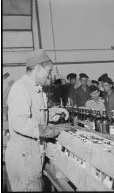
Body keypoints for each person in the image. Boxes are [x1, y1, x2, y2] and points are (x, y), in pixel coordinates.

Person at [5, 49, 69, 191]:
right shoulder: (20, 88)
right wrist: (53, 130)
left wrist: (53, 112)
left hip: (31, 158)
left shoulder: (35, 88)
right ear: (39, 68)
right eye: (49, 71)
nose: (50, 76)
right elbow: (20, 123)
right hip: (24, 162)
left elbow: (34, 115)